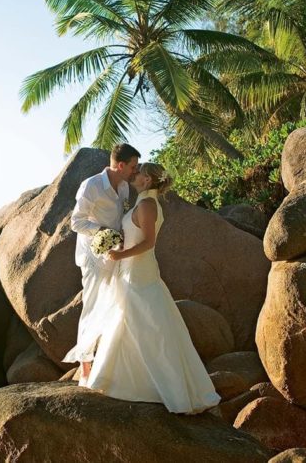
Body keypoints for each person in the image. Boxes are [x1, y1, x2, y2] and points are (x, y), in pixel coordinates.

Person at [85, 162, 221, 414]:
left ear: (147, 180)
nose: (133, 175)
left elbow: (149, 242)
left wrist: (120, 255)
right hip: (132, 270)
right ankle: (117, 379)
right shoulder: (142, 202)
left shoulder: (147, 205)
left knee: (147, 323)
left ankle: (165, 388)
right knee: (129, 319)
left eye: (138, 173)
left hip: (139, 272)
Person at [62, 143, 140, 385]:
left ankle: (110, 361)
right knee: (93, 305)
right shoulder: (92, 185)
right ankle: (85, 369)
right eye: (133, 167)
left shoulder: (126, 187)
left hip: (116, 253)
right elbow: (76, 222)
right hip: (94, 256)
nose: (135, 172)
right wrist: (104, 232)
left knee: (116, 302)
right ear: (120, 165)